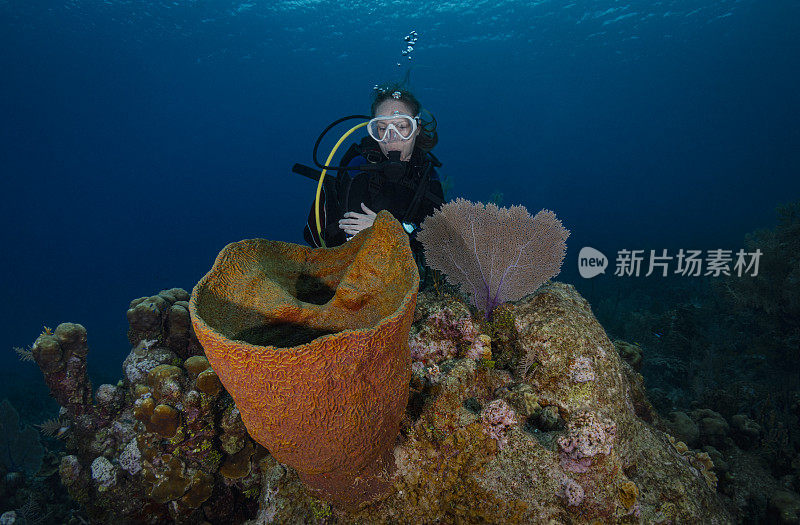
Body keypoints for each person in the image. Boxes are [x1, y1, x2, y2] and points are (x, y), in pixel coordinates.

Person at [302, 85, 445, 263]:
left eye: (401, 126)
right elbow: (354, 243)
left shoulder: (427, 174)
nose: (392, 137)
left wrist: (386, 229)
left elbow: (438, 242)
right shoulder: (358, 169)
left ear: (417, 127)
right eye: (383, 128)